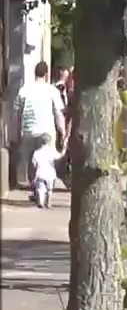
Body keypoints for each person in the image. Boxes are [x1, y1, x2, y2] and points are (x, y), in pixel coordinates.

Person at [12, 61, 65, 190]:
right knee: (46, 162)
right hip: (47, 132)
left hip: (29, 132)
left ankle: (34, 186)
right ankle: (46, 189)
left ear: (34, 73)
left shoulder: (24, 90)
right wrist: (62, 131)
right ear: (47, 74)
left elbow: (17, 114)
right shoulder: (52, 91)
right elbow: (58, 113)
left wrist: (16, 134)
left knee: (32, 163)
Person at [29, 132, 60, 209]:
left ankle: (41, 202)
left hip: (40, 173)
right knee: (49, 189)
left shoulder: (37, 152)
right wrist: (64, 150)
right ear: (49, 141)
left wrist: (35, 167)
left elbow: (34, 163)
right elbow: (58, 157)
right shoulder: (52, 151)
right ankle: (48, 201)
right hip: (50, 174)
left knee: (41, 189)